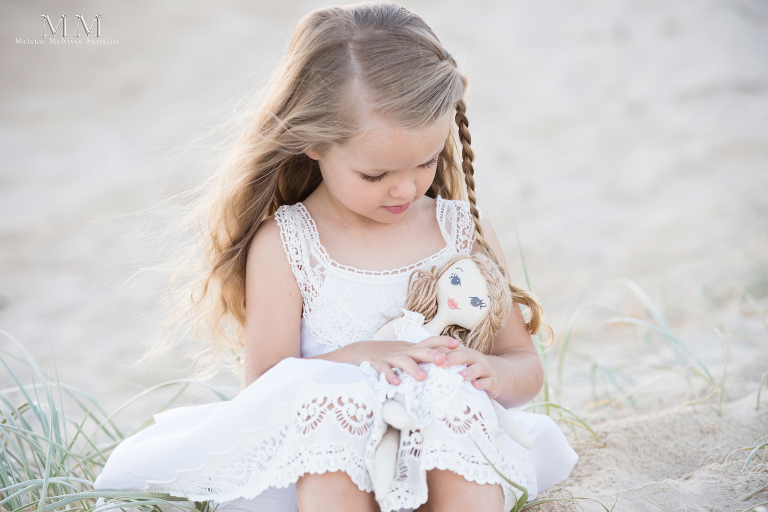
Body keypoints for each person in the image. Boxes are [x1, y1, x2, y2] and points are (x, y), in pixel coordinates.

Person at [93, 2, 578, 511]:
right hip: (327, 462)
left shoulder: (458, 233)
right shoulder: (288, 244)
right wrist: (361, 357)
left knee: (450, 397)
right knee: (334, 409)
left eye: (425, 162)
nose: (406, 188)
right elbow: (266, 388)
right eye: (375, 174)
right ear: (313, 143)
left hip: (446, 456)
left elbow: (523, 363)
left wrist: (493, 374)